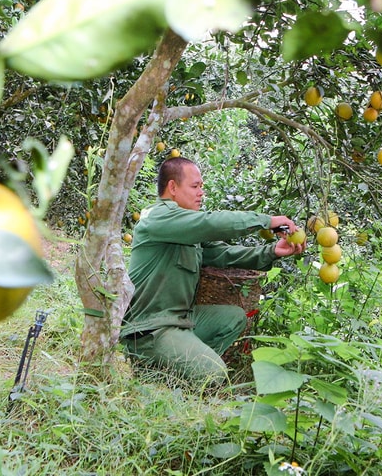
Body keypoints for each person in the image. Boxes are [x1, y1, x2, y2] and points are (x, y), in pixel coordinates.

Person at [121, 156, 305, 385]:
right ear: (172, 187)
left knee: (233, 318)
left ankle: (180, 371)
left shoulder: (185, 227)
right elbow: (212, 223)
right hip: (151, 329)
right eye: (195, 186)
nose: (201, 193)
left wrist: (272, 252)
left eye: (202, 187)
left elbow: (223, 254)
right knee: (215, 374)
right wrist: (266, 221)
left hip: (180, 321)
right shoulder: (158, 217)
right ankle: (154, 367)